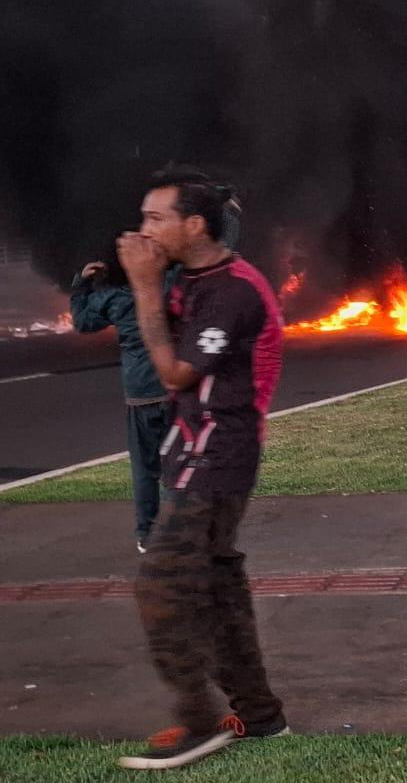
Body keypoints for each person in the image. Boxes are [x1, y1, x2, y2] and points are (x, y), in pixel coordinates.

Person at [115, 167, 288, 770]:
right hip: (192, 451)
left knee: (162, 585)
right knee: (217, 588)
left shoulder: (232, 290)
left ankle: (197, 720)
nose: (143, 230)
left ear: (194, 225)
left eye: (156, 217)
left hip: (220, 455)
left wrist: (142, 286)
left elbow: (175, 374)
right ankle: (260, 716)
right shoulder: (193, 278)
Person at [71, 243, 169, 554]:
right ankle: (183, 528)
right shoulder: (166, 286)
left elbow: (83, 321)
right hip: (172, 385)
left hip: (140, 391)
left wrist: (82, 282)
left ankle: (147, 533)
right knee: (181, 464)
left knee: (144, 468)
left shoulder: (113, 297)